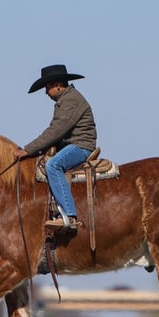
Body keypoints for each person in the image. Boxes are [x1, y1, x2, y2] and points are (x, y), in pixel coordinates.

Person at [15, 64, 97, 230]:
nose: (46, 93)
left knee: (53, 165)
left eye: (47, 88)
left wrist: (28, 149)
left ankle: (69, 215)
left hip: (80, 146)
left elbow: (55, 131)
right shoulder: (66, 100)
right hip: (72, 144)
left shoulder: (71, 100)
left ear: (57, 85)